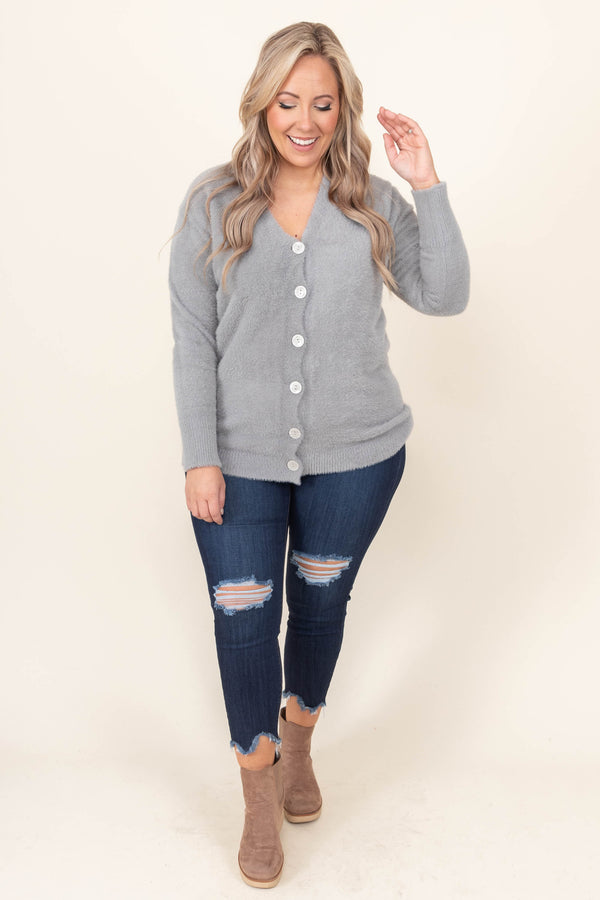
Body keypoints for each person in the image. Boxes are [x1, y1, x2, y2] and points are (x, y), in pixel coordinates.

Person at [168, 21, 469, 889]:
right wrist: (199, 455)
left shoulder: (371, 199)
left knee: (320, 603)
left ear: (344, 110)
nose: (304, 121)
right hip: (238, 458)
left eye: (323, 104)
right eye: (288, 102)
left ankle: (299, 742)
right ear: (261, 104)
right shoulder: (212, 201)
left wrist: (427, 184)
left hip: (357, 455)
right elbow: (193, 341)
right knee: (242, 617)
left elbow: (445, 295)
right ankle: (258, 792)